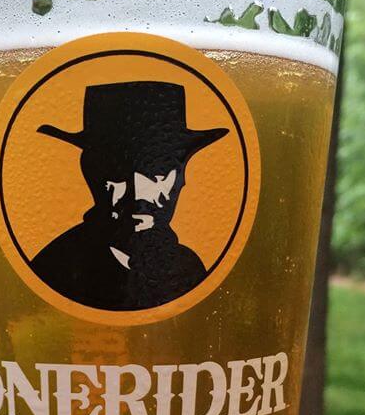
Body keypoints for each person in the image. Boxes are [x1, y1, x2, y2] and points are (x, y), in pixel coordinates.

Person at [32, 81, 228, 310]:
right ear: (93, 179)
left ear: (180, 178)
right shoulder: (56, 268)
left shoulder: (188, 267)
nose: (138, 195)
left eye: (156, 173)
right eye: (118, 174)